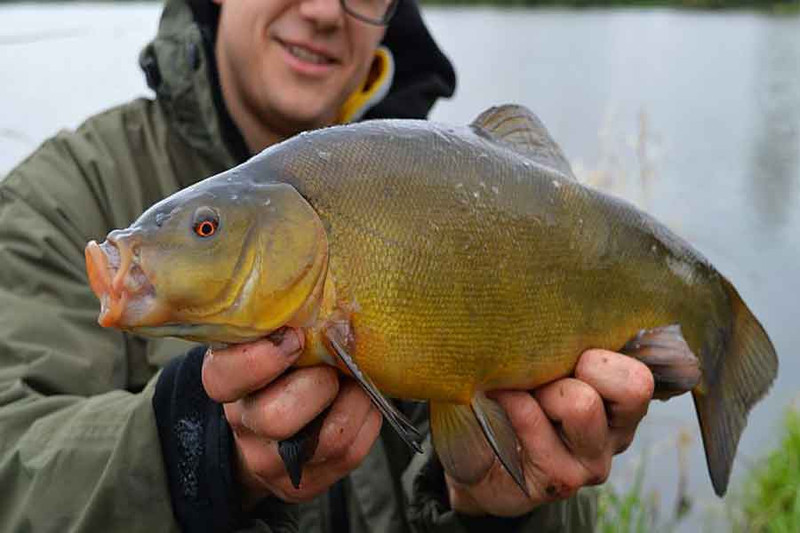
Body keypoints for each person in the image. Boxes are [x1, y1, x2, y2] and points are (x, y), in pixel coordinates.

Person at [0, 0, 655, 529]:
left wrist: (507, 512)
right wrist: (192, 455)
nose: (321, 10)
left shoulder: (462, 195)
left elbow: (544, 484)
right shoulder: (60, 198)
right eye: (206, 229)